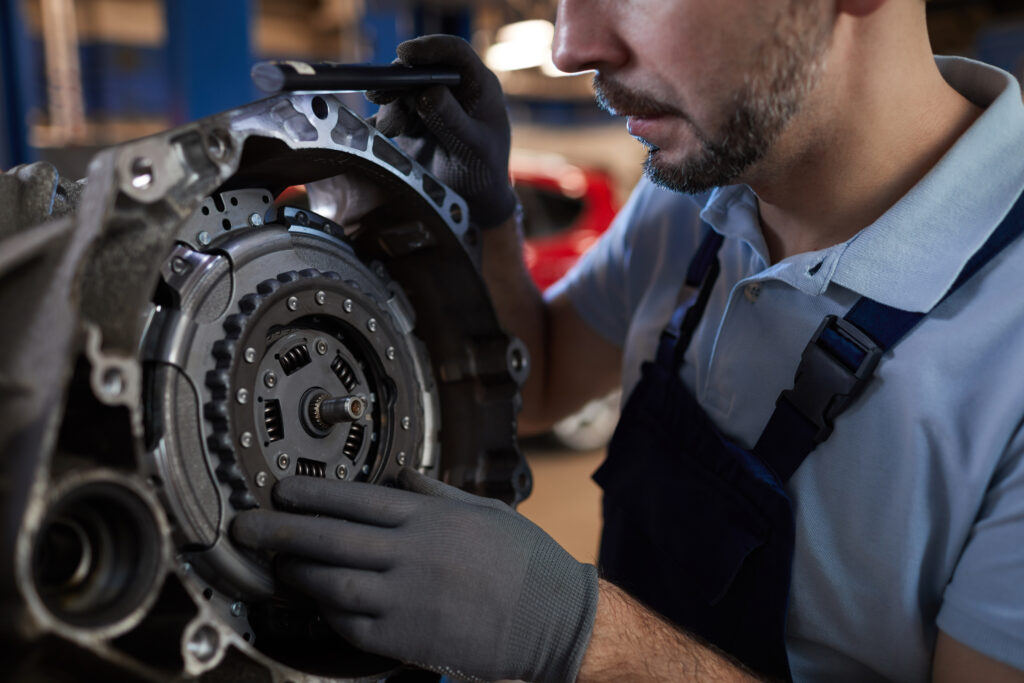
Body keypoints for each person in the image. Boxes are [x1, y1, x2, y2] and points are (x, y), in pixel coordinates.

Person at [231, 0, 1024, 680]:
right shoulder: (695, 193)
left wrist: (573, 634)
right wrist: (486, 214)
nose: (572, 46)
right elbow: (537, 388)